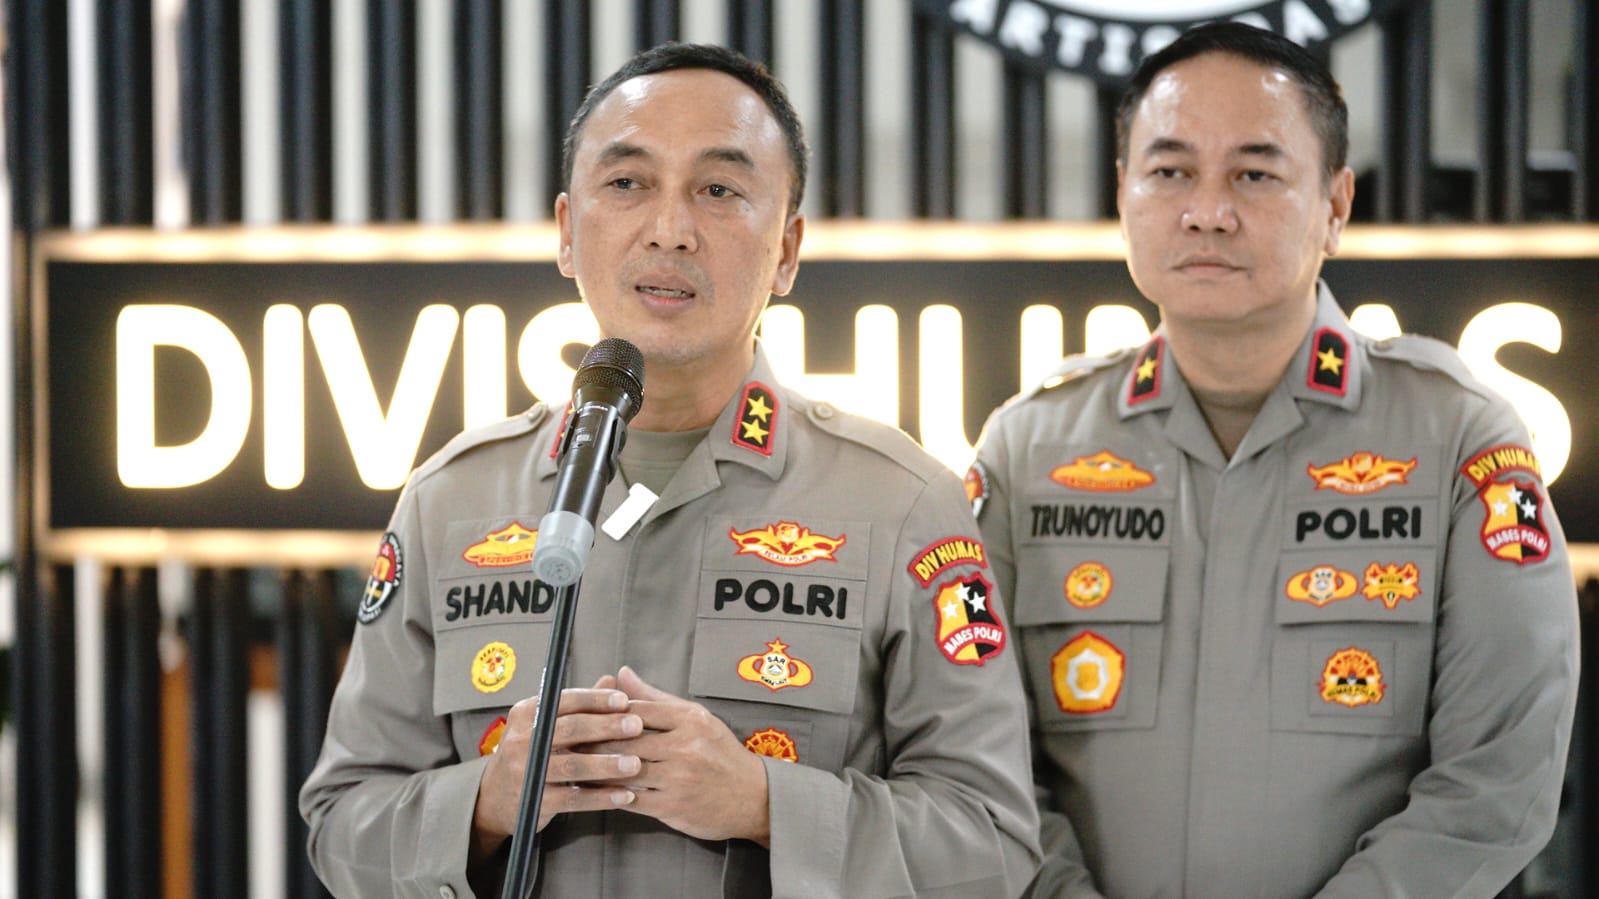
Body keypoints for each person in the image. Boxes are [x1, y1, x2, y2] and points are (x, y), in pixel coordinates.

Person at [300, 43, 1040, 898]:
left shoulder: (902, 502)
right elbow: (341, 824)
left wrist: (765, 803)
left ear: (787, 248)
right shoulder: (450, 501)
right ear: (567, 231)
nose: (669, 228)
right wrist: (487, 801)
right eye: (627, 183)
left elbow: (993, 843)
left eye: (718, 190)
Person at [968, 21, 1579, 899]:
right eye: (1169, 171)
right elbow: (975, 757)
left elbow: (1498, 775)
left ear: (1335, 205)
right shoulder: (1028, 447)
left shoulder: (1457, 437)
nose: (1207, 210)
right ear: (1122, 191)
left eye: (1253, 174)